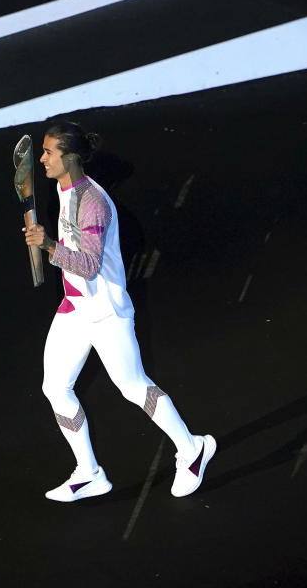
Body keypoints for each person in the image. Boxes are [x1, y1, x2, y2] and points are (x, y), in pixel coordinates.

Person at [23, 122, 215, 502]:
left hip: (107, 312)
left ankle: (193, 449)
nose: (41, 159)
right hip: (75, 307)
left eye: (49, 152)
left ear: (71, 157)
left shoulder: (91, 202)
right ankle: (89, 473)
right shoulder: (64, 187)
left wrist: (47, 245)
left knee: (134, 386)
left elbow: (90, 265)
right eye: (42, 151)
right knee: (55, 388)